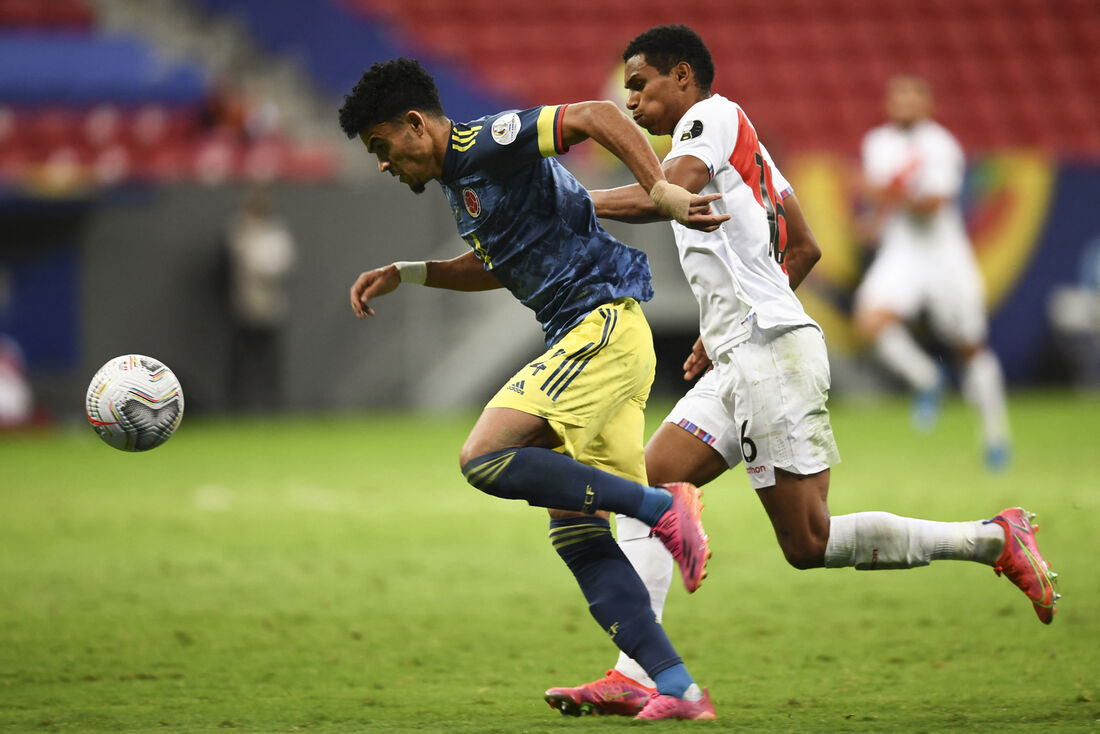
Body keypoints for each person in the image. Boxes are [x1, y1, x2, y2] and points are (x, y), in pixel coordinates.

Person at [542, 25, 1060, 718]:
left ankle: (995, 539)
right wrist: (721, 325)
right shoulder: (742, 143)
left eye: (641, 83)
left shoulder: (711, 118)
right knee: (649, 483)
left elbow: (666, 195)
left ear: (684, 79)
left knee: (807, 543)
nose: (630, 99)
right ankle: (638, 671)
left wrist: (567, 206)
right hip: (745, 351)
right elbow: (806, 247)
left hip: (770, 356)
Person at [338, 57, 731, 720]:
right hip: (592, 336)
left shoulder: (485, 142)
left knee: (484, 457)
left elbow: (595, 115)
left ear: (414, 125)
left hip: (599, 324)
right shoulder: (458, 179)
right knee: (574, 526)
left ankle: (661, 508)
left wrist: (660, 188)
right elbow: (501, 262)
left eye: (382, 147)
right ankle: (675, 687)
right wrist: (409, 273)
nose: (383, 163)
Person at [853, 74, 1012, 470]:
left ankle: (996, 437)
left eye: (913, 95)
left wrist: (880, 193)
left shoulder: (941, 146)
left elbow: (933, 204)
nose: (904, 102)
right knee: (869, 321)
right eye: (898, 95)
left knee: (971, 346)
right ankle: (927, 379)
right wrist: (875, 219)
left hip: (944, 256)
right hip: (903, 251)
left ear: (929, 105)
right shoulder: (878, 143)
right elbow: (888, 196)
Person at [226, 185, 296, 413]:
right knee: (240, 362)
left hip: (270, 307)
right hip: (243, 306)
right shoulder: (239, 231)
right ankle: (238, 407)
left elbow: (278, 265)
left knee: (269, 361)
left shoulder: (275, 234)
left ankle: (272, 406)